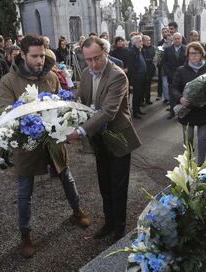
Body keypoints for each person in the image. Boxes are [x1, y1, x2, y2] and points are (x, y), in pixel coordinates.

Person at [0, 35, 90, 258]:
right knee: (24, 191)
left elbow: (61, 106)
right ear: (22, 54)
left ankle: (77, 210)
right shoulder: (9, 81)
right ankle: (26, 234)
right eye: (35, 56)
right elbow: (5, 113)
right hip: (26, 146)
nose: (40, 60)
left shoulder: (51, 77)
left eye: (42, 55)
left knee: (67, 178)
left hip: (53, 143)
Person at [69, 36, 141, 240]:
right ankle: (109, 222)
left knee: (118, 185)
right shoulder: (85, 73)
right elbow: (79, 99)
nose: (92, 64)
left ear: (106, 53)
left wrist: (80, 132)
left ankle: (119, 226)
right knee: (104, 183)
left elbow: (108, 111)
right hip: (99, 137)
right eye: (88, 60)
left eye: (97, 58)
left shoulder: (117, 76)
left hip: (118, 137)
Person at [171, 42, 206, 165]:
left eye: (197, 53)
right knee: (188, 138)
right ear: (187, 55)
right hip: (187, 110)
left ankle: (200, 164)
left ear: (202, 54)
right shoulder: (181, 70)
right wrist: (180, 98)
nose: (194, 56)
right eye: (191, 53)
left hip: (204, 110)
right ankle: (188, 161)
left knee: (202, 138)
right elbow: (174, 87)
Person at [162, 32, 186, 119]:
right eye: (175, 38)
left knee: (182, 94)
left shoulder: (186, 49)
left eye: (178, 38)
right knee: (172, 95)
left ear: (181, 39)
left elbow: (187, 62)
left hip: (183, 76)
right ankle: (172, 112)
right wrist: (168, 72)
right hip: (171, 76)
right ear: (173, 39)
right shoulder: (168, 50)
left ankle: (180, 112)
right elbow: (164, 62)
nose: (177, 40)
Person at [127, 35, 147, 118]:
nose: (142, 42)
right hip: (136, 77)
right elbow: (131, 66)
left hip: (142, 75)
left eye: (141, 41)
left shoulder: (140, 50)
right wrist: (133, 79)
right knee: (136, 94)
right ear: (135, 43)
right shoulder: (132, 52)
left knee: (140, 94)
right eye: (140, 41)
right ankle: (135, 112)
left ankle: (138, 109)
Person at [142, 35, 156, 104]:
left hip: (150, 69)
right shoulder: (141, 49)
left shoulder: (152, 48)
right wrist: (151, 60)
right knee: (143, 86)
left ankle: (148, 99)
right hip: (143, 70)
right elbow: (143, 59)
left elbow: (154, 55)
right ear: (143, 41)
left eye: (149, 40)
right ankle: (141, 100)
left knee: (148, 85)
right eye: (147, 40)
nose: (149, 42)